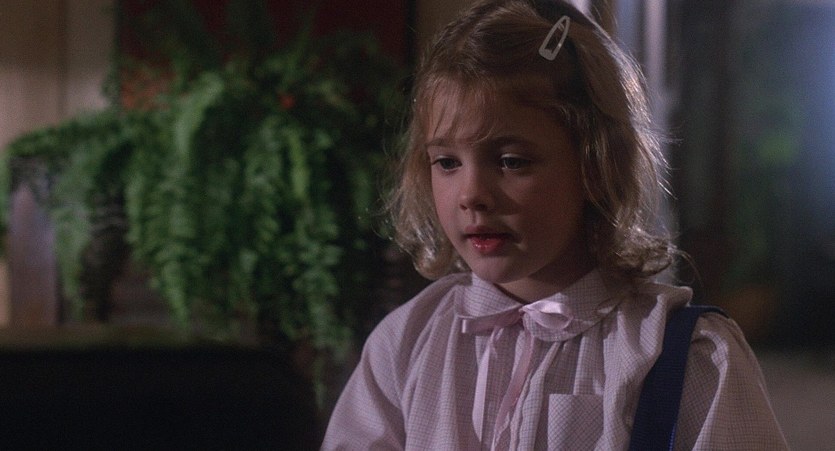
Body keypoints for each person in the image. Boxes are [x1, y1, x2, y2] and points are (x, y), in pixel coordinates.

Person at [322, 0, 788, 449]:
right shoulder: (405, 345)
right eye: (447, 162)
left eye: (511, 161)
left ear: (595, 164)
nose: (471, 194)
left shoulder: (683, 356)